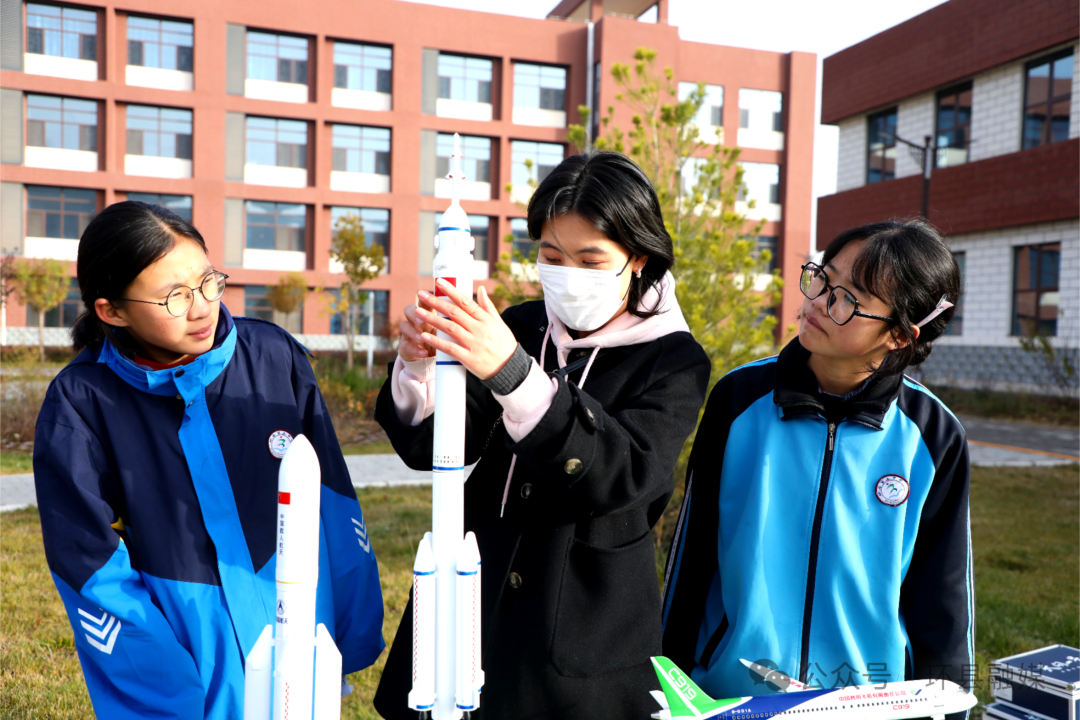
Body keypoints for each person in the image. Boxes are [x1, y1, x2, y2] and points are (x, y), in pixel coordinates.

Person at [372, 151, 711, 719]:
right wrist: (420, 367)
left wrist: (515, 376)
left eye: (590, 259)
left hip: (579, 628)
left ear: (639, 258)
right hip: (472, 602)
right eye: (551, 257)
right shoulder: (523, 324)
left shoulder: (673, 360)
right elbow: (432, 447)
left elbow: (623, 475)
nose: (568, 274)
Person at [34, 201, 384, 720]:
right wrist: (166, 683)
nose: (201, 308)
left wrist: (350, 629)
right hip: (192, 657)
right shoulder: (81, 403)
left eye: (207, 282)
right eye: (174, 296)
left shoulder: (272, 356)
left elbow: (331, 497)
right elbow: (87, 560)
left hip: (300, 644)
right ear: (111, 311)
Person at [661, 220, 973, 714]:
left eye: (849, 299)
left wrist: (948, 710)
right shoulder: (739, 400)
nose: (819, 302)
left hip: (865, 704)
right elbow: (692, 556)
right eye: (823, 278)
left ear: (898, 335)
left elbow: (944, 597)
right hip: (733, 695)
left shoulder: (933, 436)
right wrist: (671, 682)